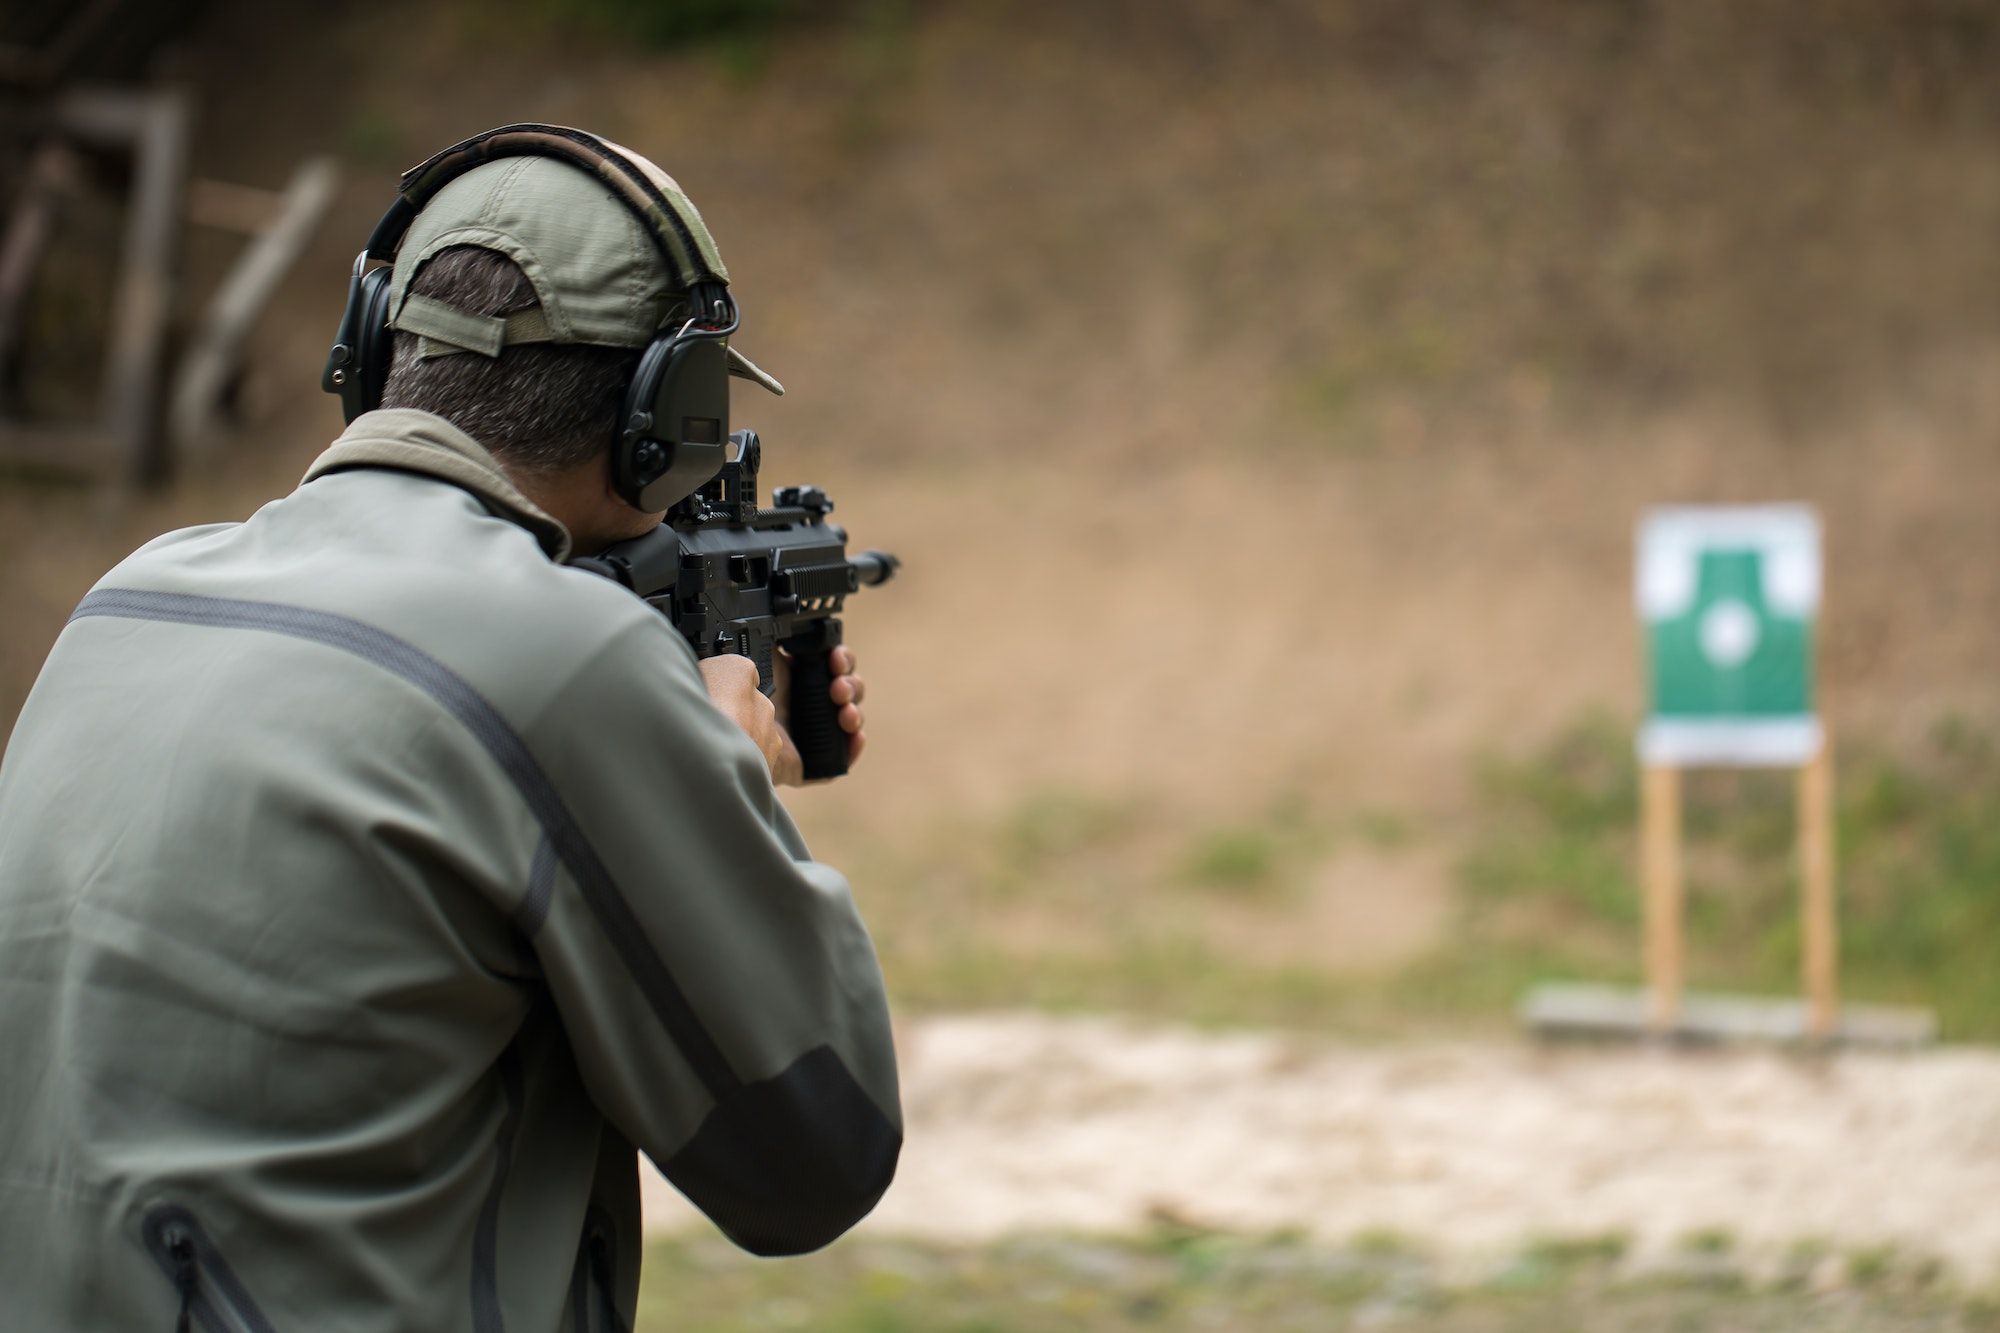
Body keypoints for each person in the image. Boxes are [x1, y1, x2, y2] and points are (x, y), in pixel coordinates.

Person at [0, 126, 901, 1332]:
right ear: (666, 413)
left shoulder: (134, 592)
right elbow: (815, 1156)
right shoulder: (569, 654)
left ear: (375, 352)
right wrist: (720, 785)